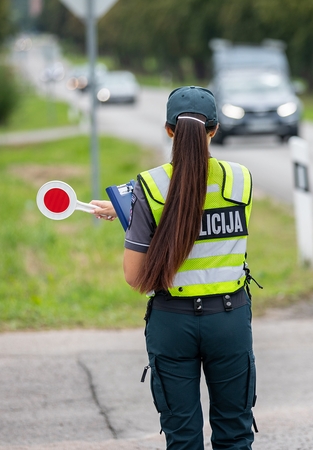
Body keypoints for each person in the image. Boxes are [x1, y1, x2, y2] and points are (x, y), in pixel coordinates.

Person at [91, 86, 258, 450]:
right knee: (235, 434)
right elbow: (191, 208)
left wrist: (134, 215)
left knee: (183, 439)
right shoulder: (241, 180)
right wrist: (132, 211)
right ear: (213, 130)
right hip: (229, 321)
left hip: (173, 324)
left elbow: (136, 277)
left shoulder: (148, 187)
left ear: (169, 130)